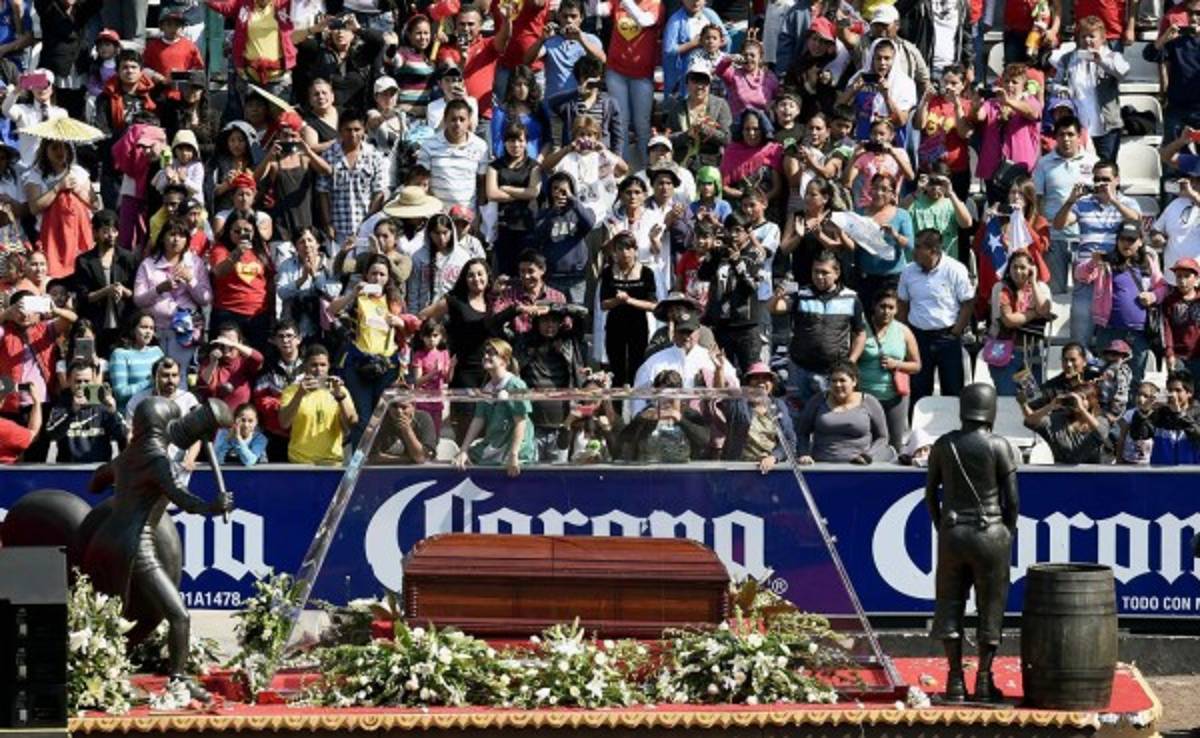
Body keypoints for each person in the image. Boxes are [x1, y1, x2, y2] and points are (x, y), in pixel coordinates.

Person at [925, 383, 1018, 703]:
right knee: (990, 606)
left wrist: (943, 527)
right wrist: (1006, 530)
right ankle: (983, 680)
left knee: (949, 604)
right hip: (990, 532)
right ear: (990, 410)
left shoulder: (943, 444)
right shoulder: (999, 446)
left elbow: (929, 496)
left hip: (952, 532)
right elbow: (1013, 500)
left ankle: (954, 681)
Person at [1052, 160, 1142, 347]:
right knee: (1080, 333)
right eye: (1097, 179)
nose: (1101, 184)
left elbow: (1136, 221)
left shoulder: (1127, 202)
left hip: (1116, 275)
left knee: (1112, 338)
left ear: (1117, 180)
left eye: (1106, 179)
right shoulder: (1083, 203)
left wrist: (1113, 200)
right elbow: (1059, 225)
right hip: (1087, 275)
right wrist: (1070, 201)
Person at [328, 254, 413, 444]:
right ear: (366, 275)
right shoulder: (358, 297)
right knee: (362, 419)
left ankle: (379, 458)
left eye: (382, 274)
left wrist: (399, 322)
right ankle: (360, 462)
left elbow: (409, 333)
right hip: (360, 363)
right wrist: (352, 294)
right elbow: (331, 311)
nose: (377, 278)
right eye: (373, 274)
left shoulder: (395, 300)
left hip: (388, 364)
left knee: (383, 417)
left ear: (388, 277)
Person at [1073, 222, 1167, 389]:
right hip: (1110, 329)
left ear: (1140, 242)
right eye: (1123, 239)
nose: (1126, 243)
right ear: (1117, 240)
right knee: (1106, 379)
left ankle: (1129, 413)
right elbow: (1081, 275)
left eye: (1132, 240)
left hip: (1139, 332)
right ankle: (1106, 414)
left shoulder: (1148, 262)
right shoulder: (1106, 261)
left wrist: (1153, 296)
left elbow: (1162, 287)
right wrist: (1092, 263)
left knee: (1135, 378)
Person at [771, 249, 866, 409]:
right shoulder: (801, 295)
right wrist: (777, 297)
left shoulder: (851, 298)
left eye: (825, 272)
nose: (819, 276)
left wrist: (851, 362)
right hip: (799, 369)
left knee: (828, 416)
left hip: (831, 373)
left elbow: (860, 334)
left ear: (837, 273)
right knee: (797, 416)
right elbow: (775, 309)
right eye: (816, 272)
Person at [899, 229, 975, 407]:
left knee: (953, 390)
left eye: (918, 247)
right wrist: (905, 333)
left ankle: (952, 431)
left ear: (933, 250)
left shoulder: (955, 269)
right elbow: (902, 303)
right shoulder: (908, 272)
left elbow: (968, 302)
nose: (913, 251)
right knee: (918, 390)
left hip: (947, 337)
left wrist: (956, 332)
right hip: (918, 338)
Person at [132, 217, 213, 369]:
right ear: (162, 237)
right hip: (156, 331)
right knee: (155, 374)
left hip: (186, 331)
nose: (176, 240)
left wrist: (191, 280)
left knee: (181, 376)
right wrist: (159, 289)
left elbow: (205, 299)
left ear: (187, 240)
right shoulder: (148, 264)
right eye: (171, 234)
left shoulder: (195, 263)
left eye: (181, 236)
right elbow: (138, 300)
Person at [453, 337, 536, 476]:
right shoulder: (487, 387)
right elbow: (478, 419)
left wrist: (514, 455)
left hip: (514, 450)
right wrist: (464, 450)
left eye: (492, 353)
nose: (486, 356)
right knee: (460, 459)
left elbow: (520, 422)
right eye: (485, 353)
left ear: (504, 360)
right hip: (494, 444)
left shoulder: (515, 385)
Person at [1032, 115, 1097, 295]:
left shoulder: (1093, 163)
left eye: (1070, 134)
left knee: (1084, 293)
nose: (1066, 139)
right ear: (1055, 137)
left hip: (1085, 237)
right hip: (1054, 237)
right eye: (1061, 135)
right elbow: (1037, 201)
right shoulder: (1044, 164)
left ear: (1079, 136)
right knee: (1053, 293)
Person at [1052, 16, 1128, 162]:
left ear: (1103, 37)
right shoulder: (1067, 59)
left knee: (1106, 168)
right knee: (1081, 170)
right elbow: (1055, 84)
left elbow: (1124, 72)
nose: (1087, 40)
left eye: (1092, 36)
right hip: (1078, 126)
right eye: (1083, 36)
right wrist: (1061, 89)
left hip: (1106, 126)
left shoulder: (1112, 56)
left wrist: (1102, 61)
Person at [795, 360, 894, 464]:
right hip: (822, 465)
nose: (838, 385)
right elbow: (802, 433)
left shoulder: (869, 402)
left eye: (842, 380)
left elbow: (882, 437)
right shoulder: (817, 401)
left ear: (854, 381)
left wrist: (868, 456)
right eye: (833, 381)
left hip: (860, 467)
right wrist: (804, 454)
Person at [859, 288, 920, 451]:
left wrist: (897, 364)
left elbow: (916, 365)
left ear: (897, 309)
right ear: (874, 306)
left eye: (891, 308)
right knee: (867, 444)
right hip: (866, 397)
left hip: (895, 397)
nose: (886, 311)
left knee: (895, 444)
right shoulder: (861, 329)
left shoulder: (904, 331)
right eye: (882, 306)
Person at [604, 0, 664, 164]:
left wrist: (626, 3)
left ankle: (647, 167)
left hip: (642, 75)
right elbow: (598, 10)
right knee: (620, 122)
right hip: (616, 71)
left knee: (642, 124)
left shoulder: (656, 4)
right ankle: (622, 168)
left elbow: (645, 21)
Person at [985, 250, 1052, 395]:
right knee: (1007, 398)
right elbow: (1009, 320)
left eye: (1022, 267)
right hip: (1005, 353)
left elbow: (1044, 309)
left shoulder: (1041, 288)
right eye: (1014, 267)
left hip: (1031, 354)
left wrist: (1033, 282)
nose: (1017, 271)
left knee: (1031, 399)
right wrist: (1034, 313)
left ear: (1031, 269)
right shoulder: (1000, 288)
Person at [278, 343, 357, 465]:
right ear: (305, 367)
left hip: (332, 461)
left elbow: (352, 423)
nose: (319, 369)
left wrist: (340, 397)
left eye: (323, 365)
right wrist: (299, 394)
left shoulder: (340, 390)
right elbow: (284, 423)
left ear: (329, 366)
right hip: (300, 461)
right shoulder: (291, 391)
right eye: (314, 365)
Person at [318, 110, 388, 248]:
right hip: (338, 229)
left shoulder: (374, 156)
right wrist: (328, 223)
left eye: (357, 129)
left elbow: (378, 192)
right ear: (340, 131)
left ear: (364, 130)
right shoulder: (328, 155)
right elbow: (322, 192)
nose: (353, 134)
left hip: (367, 229)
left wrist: (367, 223)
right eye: (348, 130)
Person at [71, 210, 137, 354]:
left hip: (123, 326)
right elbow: (83, 297)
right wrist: (107, 291)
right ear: (95, 233)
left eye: (114, 231)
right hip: (95, 326)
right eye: (106, 231)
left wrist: (123, 290)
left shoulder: (127, 258)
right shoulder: (84, 261)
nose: (111, 235)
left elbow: (136, 293)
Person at [599, 232, 659, 388]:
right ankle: (615, 409)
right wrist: (617, 300)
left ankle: (636, 407)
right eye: (620, 249)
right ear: (614, 251)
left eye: (628, 248)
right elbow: (603, 304)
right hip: (615, 326)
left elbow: (653, 305)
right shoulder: (607, 272)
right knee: (616, 370)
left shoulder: (646, 273)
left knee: (637, 368)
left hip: (637, 326)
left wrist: (629, 300)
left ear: (635, 250)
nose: (624, 253)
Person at [485, 121, 541, 277]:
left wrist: (507, 189)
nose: (515, 145)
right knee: (504, 271)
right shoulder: (495, 166)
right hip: (504, 227)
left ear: (526, 142)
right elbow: (492, 193)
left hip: (528, 226)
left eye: (520, 140)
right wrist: (520, 195)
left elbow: (533, 192)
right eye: (511, 140)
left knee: (527, 270)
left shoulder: (533, 166)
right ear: (504, 142)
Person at [44, 358, 127, 463]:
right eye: (78, 381)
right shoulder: (62, 405)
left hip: (99, 469)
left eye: (87, 381)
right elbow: (51, 434)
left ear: (94, 380)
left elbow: (123, 435)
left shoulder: (103, 404)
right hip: (68, 469)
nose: (82, 386)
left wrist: (113, 413)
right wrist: (71, 412)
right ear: (68, 381)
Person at [719, 362, 795, 472]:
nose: (761, 382)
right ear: (748, 383)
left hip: (771, 470)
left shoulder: (779, 406)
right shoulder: (738, 403)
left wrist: (774, 457)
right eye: (756, 378)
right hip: (739, 469)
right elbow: (721, 395)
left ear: (772, 384)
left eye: (766, 378)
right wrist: (719, 370)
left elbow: (789, 439)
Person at [660, 59, 732, 173]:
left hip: (711, 166)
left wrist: (705, 129)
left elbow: (727, 139)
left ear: (709, 84)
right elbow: (668, 139)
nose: (699, 86)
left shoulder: (720, 105)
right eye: (695, 81)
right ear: (687, 83)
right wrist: (687, 134)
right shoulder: (677, 107)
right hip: (682, 165)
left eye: (704, 81)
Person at [1143, 5, 1200, 141]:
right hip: (1177, 107)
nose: (1193, 17)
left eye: (1198, 14)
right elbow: (1149, 55)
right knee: (1171, 154)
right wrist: (1165, 38)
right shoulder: (1175, 41)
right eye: (1190, 13)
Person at [252, 319, 306, 462]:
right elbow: (260, 399)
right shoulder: (267, 367)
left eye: (289, 336)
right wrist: (284, 406)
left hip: (305, 435)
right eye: (280, 336)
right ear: (274, 341)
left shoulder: (309, 366)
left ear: (299, 339)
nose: (285, 340)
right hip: (276, 435)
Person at [1021, 381, 1111, 464]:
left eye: (1082, 398)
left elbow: (1101, 433)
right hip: (1062, 474)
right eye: (1075, 398)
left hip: (1092, 474)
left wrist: (1082, 409)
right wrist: (1050, 406)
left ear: (1092, 401)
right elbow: (1030, 421)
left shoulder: (1100, 420)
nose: (1077, 401)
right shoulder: (1057, 419)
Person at [1154, 135, 1200, 282]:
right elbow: (1164, 156)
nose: (1193, 183)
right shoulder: (1178, 203)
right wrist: (1182, 141)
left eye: (1198, 181)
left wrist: (1192, 195)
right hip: (1174, 281)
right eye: (1192, 179)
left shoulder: (1189, 196)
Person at [195, 322, 264, 412]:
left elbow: (258, 358)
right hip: (216, 417)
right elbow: (203, 384)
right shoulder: (210, 361)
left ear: (240, 343)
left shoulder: (244, 362)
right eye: (223, 343)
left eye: (230, 343)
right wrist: (212, 363)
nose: (226, 347)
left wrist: (234, 345)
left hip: (240, 419)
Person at [108, 311, 164, 414]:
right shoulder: (120, 354)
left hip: (156, 413)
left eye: (151, 328)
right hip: (130, 414)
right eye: (144, 327)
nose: (148, 331)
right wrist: (149, 382)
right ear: (133, 329)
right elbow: (120, 393)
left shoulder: (157, 352)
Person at [1148, 370, 1200, 465]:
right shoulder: (1161, 413)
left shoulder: (1198, 413)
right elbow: (1139, 434)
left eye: (1178, 390)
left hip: (1191, 474)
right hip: (1161, 474)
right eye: (1170, 390)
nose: (1173, 394)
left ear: (1190, 393)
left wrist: (1179, 413)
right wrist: (1144, 411)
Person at [369, 399, 437, 464]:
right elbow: (372, 456)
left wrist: (407, 430)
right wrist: (407, 459)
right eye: (394, 406)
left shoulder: (423, 419)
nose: (399, 411)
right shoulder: (382, 420)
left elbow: (421, 457)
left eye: (404, 407)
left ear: (413, 406)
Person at [1163, 258, 1200, 379]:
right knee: (1179, 391)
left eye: (1187, 276)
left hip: (1198, 355)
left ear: (1196, 278)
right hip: (1178, 357)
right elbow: (1167, 329)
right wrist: (1169, 353)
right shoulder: (1170, 301)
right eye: (1179, 276)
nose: (1182, 281)